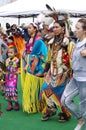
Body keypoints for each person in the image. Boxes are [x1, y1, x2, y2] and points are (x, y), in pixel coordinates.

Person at [40, 20, 75, 122]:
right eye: (53, 27)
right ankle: (52, 108)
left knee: (61, 93)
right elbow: (49, 57)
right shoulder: (52, 42)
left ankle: (65, 113)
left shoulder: (69, 42)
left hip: (63, 72)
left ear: (63, 28)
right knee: (45, 88)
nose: (54, 29)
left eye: (57, 27)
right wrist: (45, 70)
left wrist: (71, 72)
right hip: (52, 70)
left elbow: (72, 58)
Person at [61, 18, 86, 130]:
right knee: (64, 101)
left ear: (84, 31)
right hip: (75, 78)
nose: (75, 30)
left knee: (83, 106)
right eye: (75, 27)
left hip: (84, 80)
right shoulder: (77, 42)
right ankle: (80, 120)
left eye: (78, 28)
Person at [22, 22, 48, 113]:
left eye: (30, 28)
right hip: (30, 64)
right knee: (30, 87)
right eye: (28, 28)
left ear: (35, 29)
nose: (28, 30)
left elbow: (44, 54)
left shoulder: (39, 41)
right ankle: (32, 105)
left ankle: (38, 105)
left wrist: (36, 64)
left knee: (36, 88)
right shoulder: (30, 39)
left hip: (36, 66)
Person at [4, 46, 20, 111]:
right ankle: (10, 104)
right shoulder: (6, 60)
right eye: (9, 52)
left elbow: (19, 68)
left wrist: (17, 71)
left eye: (11, 52)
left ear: (15, 53)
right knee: (7, 90)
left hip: (13, 78)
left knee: (13, 90)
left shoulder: (17, 60)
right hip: (7, 78)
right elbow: (4, 68)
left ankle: (16, 103)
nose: (9, 54)